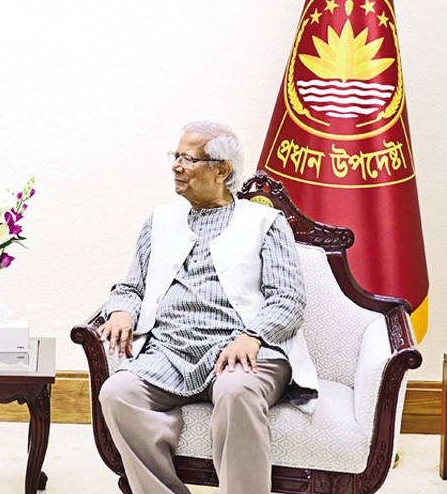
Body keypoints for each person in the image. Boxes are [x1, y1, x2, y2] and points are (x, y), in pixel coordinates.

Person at [97, 121, 318, 494]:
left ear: (222, 170)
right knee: (117, 392)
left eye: (188, 158)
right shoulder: (159, 221)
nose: (176, 166)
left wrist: (254, 336)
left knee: (235, 391)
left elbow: (288, 299)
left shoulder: (265, 223)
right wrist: (121, 310)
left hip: (243, 352)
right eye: (176, 156)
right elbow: (130, 286)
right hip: (169, 351)